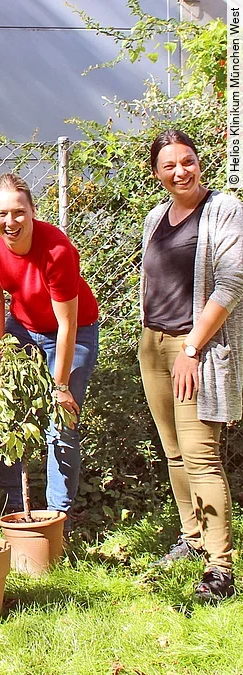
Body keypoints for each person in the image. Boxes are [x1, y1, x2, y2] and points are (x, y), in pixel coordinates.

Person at [139, 129, 243, 601]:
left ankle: (220, 568)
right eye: (169, 165)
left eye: (188, 161)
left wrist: (192, 349)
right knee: (174, 451)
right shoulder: (156, 217)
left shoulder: (224, 210)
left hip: (194, 348)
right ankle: (192, 537)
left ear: (199, 161)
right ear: (157, 173)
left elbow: (232, 283)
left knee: (201, 456)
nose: (181, 171)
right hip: (154, 344)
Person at [0, 173, 99, 525]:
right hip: (22, 327)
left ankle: (58, 517)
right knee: (5, 414)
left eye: (18, 213)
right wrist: (1, 349)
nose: (10, 222)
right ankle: (17, 509)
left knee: (62, 422)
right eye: (1, 214)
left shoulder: (57, 249)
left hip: (74, 330)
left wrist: (60, 387)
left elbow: (67, 324)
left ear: (33, 212)